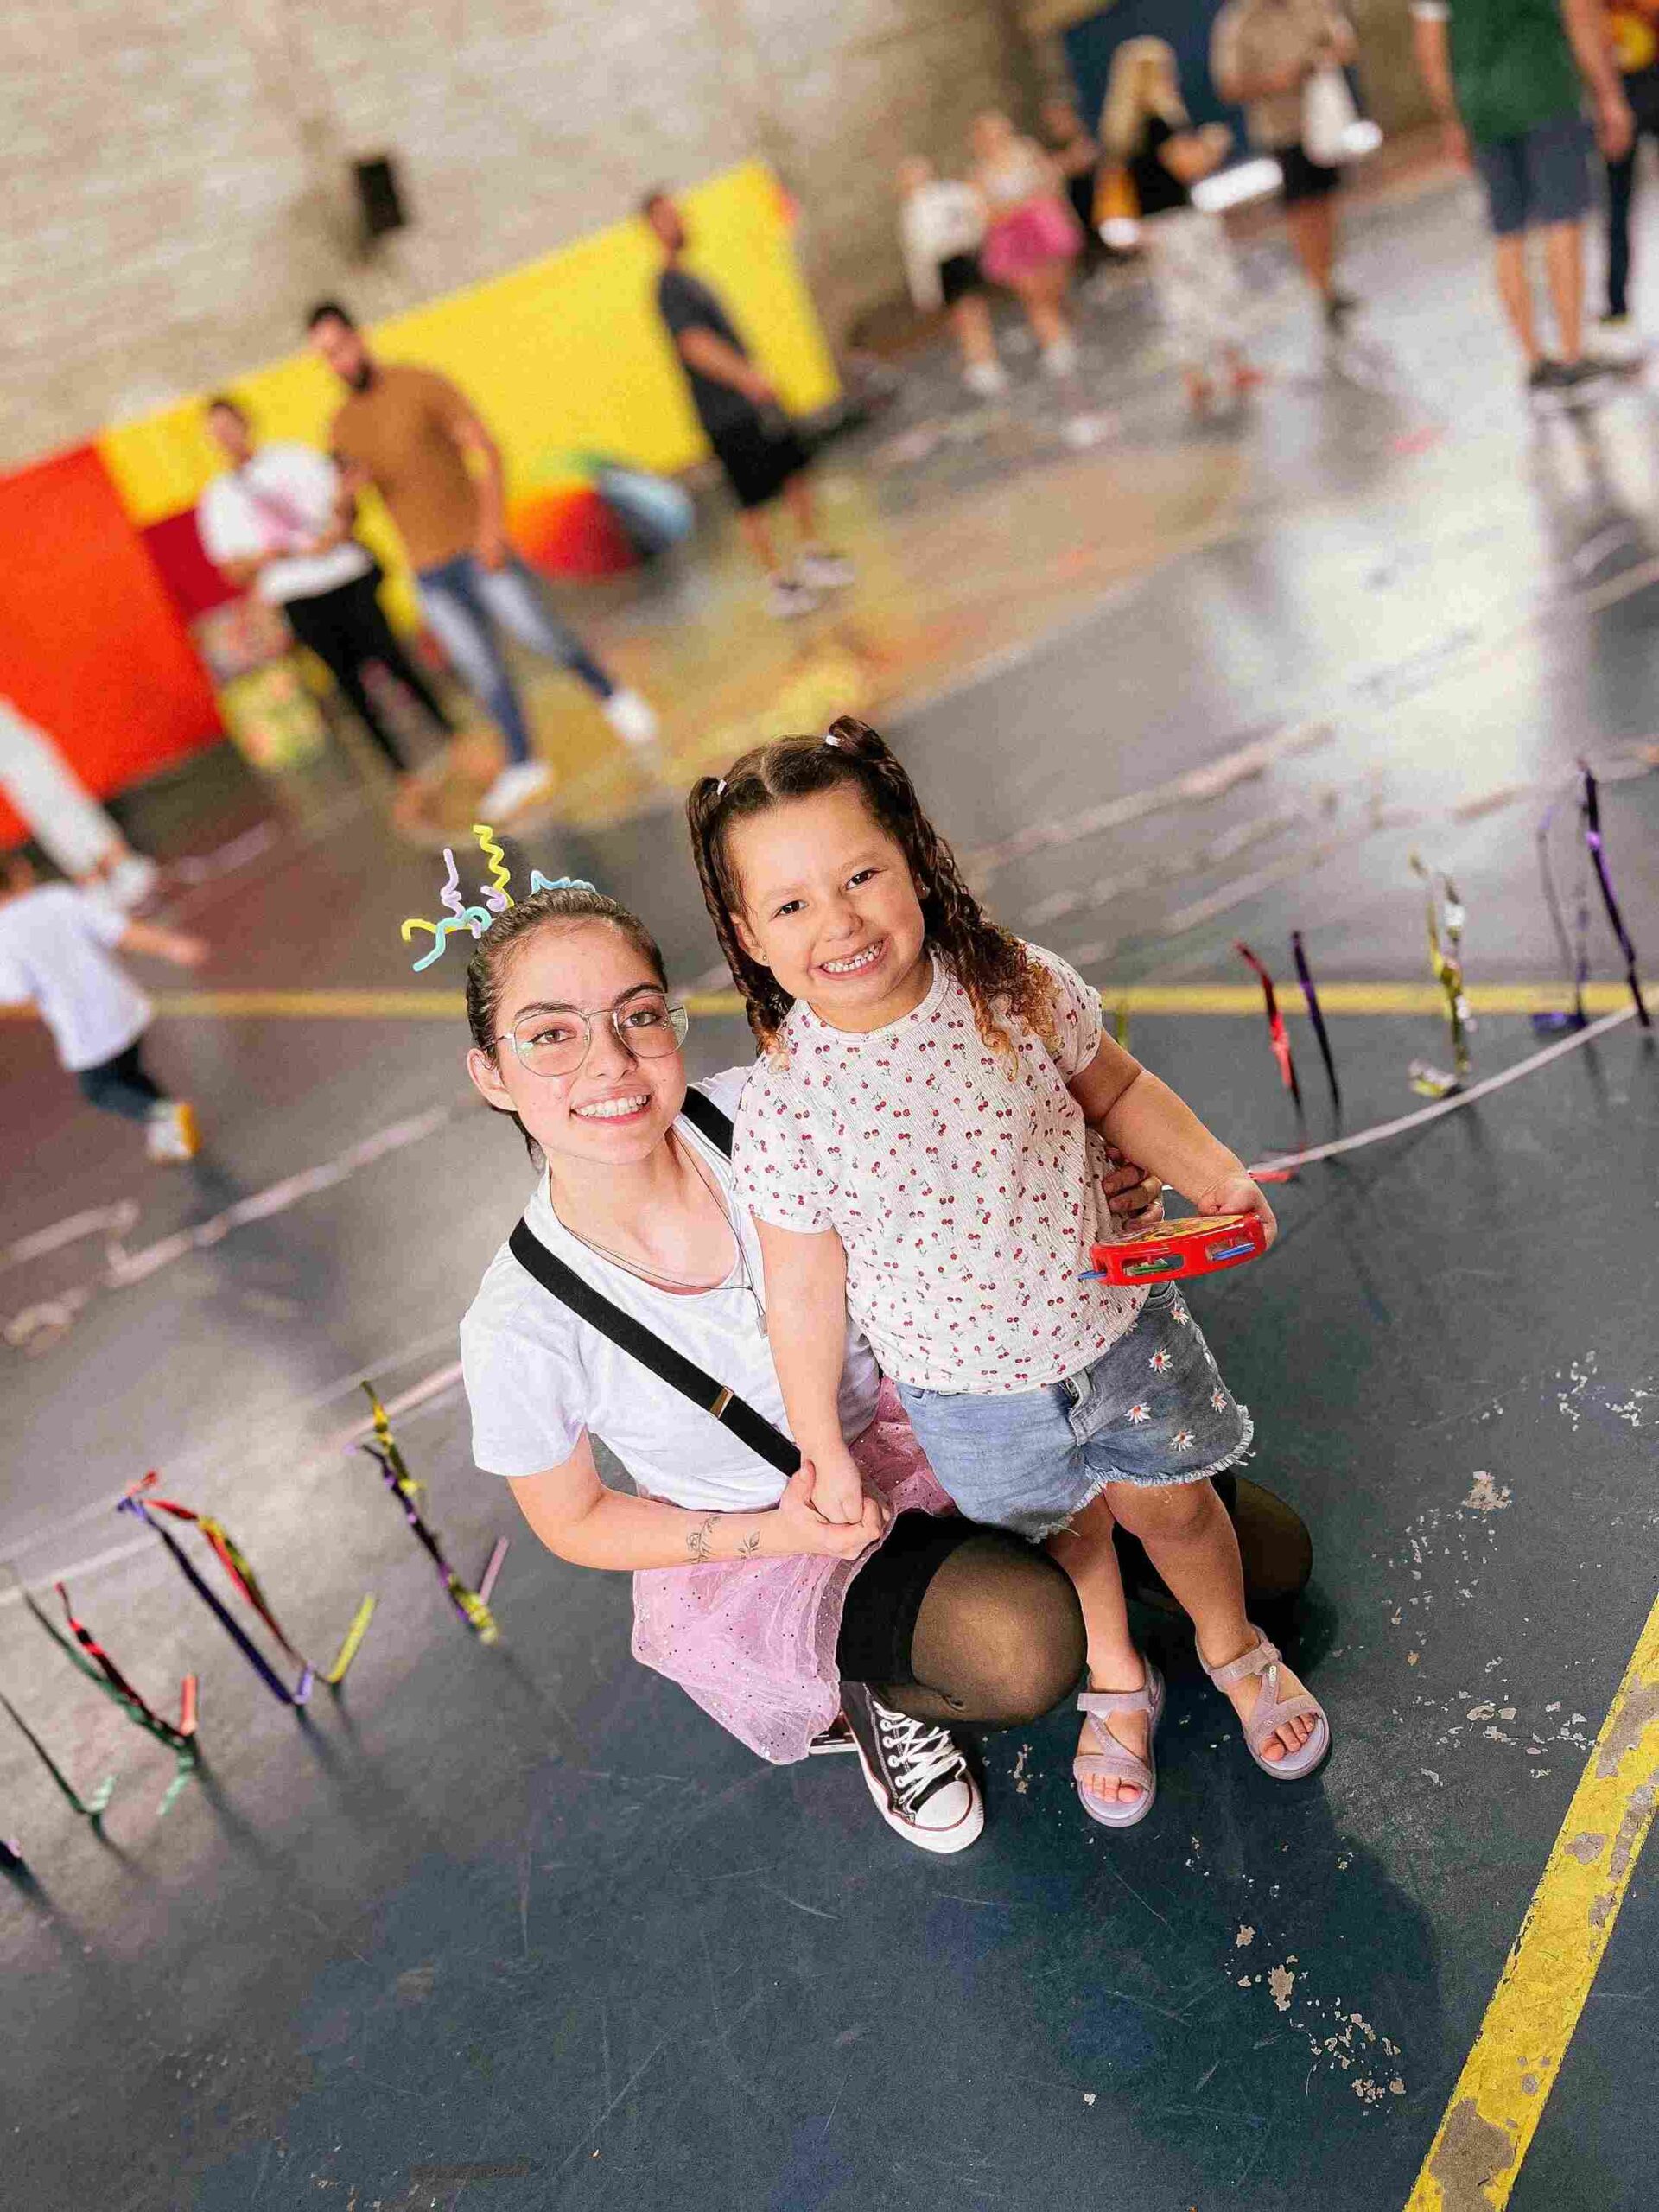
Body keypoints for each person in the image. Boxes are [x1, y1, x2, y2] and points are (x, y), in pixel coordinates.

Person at [690, 720, 1332, 1833]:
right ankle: (1117, 1675)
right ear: (748, 934)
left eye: (860, 875)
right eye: (790, 905)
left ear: (915, 860)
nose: (837, 921)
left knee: (1175, 1514)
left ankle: (1234, 1648)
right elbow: (800, 1292)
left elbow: (1119, 1090)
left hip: (1113, 1336)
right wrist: (822, 1449)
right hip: (969, 1397)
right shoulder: (786, 1104)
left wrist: (1215, 1174)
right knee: (1068, 1536)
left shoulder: (1012, 986)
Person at [456, 880, 1166, 1849]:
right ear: (491, 1073)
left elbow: (969, 1173)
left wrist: (1098, 1178)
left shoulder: (773, 1108)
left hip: (934, 1415)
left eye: (637, 1015)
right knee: (1023, 1643)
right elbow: (575, 1522)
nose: (610, 1061)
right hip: (780, 1537)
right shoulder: (517, 1323)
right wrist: (776, 1538)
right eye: (549, 1034)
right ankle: (883, 1692)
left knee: (1260, 1560)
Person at [305, 302, 657, 824]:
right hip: (428, 571)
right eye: (325, 357)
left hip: (477, 546)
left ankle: (615, 698)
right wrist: (343, 500)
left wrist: (492, 528)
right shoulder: (341, 428)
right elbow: (351, 515)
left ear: (359, 337)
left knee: (543, 636)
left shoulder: (420, 384)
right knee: (482, 673)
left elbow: (485, 451)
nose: (337, 361)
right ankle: (524, 761)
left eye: (340, 347)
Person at [197, 397, 458, 779]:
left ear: (246, 422)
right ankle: (400, 774)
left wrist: (340, 520)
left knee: (393, 659)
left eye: (229, 424)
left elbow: (347, 512)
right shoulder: (218, 499)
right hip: (296, 597)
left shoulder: (295, 459)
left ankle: (454, 737)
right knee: (349, 686)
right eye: (216, 431)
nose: (226, 436)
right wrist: (274, 554)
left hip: (344, 576)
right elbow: (232, 570)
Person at [641, 192, 853, 621]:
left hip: (746, 404)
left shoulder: (688, 276)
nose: (680, 220)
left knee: (792, 472)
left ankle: (812, 556)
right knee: (751, 500)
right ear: (652, 226)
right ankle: (780, 583)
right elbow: (694, 344)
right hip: (726, 413)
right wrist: (747, 378)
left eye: (679, 212)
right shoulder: (667, 286)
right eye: (668, 216)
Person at [1411, 0, 1632, 406]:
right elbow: (1580, 15)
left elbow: (1430, 49)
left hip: (1481, 107)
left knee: (1507, 233)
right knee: (1562, 222)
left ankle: (1534, 360)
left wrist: (1452, 118)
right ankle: (1572, 354)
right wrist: (1608, 94)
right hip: (1544, 93)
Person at [0, 850, 205, 1160]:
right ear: (21, 871)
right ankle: (171, 1136)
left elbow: (17, 994)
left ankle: (163, 1116)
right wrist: (171, 945)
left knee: (99, 1090)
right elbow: (120, 931)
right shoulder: (59, 897)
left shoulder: (3, 933)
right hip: (123, 1006)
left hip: (83, 1029)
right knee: (129, 1074)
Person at [1103, 38, 1264, 413]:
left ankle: (1195, 377)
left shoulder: (1123, 131)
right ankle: (1234, 366)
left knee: (1178, 299)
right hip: (1182, 221)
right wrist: (1212, 145)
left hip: (1155, 227)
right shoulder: (1160, 121)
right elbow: (1187, 167)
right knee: (1214, 289)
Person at [1211, 0, 1360, 330]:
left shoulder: (1310, 5)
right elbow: (1229, 85)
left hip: (1322, 119)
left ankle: (1329, 277)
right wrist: (1275, 81)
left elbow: (1344, 44)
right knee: (1302, 208)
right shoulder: (1239, 23)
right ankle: (1321, 287)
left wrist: (1324, 57)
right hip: (1282, 129)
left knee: (1326, 201)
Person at [0, 700, 156, 912]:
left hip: (23, 752)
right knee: (47, 821)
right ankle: (92, 883)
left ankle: (121, 865)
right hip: (11, 769)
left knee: (67, 804)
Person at [969, 111, 1084, 375]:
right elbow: (984, 209)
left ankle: (1061, 321)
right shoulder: (979, 171)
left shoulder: (1027, 151)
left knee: (1054, 286)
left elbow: (1050, 181)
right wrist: (1013, 208)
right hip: (1011, 237)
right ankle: (1055, 343)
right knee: (1034, 295)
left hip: (1044, 226)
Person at [894, 156, 1007, 398]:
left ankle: (985, 361)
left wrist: (975, 236)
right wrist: (924, 292)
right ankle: (977, 360)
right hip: (941, 267)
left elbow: (975, 207)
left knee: (972, 313)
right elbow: (918, 256)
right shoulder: (910, 210)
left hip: (960, 258)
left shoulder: (948, 194)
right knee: (960, 318)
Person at [1600, 1, 1659, 330]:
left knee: (1618, 204)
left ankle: (1616, 305)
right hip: (1620, 91)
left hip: (1641, 79)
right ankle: (1616, 304)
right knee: (1618, 203)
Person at [1040, 97, 1105, 265]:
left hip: (1102, 203)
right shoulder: (1051, 148)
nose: (1057, 124)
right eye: (1053, 121)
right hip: (1077, 215)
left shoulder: (1092, 135)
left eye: (1061, 117)